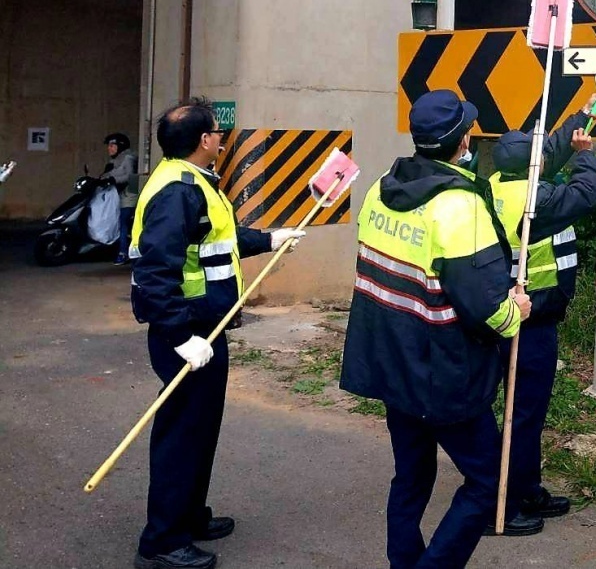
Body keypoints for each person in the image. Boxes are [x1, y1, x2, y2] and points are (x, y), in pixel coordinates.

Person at [340, 89, 535, 569]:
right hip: (442, 373)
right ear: (462, 140)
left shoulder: (382, 186)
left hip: (390, 361)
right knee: (488, 481)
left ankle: (403, 561)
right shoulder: (459, 206)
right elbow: (488, 309)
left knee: (411, 473)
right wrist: (517, 311)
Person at [130, 98, 306, 569]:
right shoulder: (177, 191)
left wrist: (271, 238)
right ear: (204, 140)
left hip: (206, 327)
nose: (222, 138)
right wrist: (179, 335)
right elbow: (155, 272)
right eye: (216, 132)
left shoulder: (194, 184)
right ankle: (163, 542)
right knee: (182, 434)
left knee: (200, 428)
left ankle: (188, 516)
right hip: (186, 332)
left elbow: (218, 241)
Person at [488, 94, 596, 528]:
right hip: (529, 320)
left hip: (498, 314)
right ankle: (507, 501)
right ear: (532, 165)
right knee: (524, 413)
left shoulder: (493, 187)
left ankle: (527, 488)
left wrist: (588, 111)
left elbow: (549, 152)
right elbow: (585, 194)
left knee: (519, 412)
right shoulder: (539, 200)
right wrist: (585, 156)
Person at [101, 131, 138, 264]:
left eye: (112, 145)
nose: (109, 148)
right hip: (120, 195)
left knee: (123, 223)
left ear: (120, 146)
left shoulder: (128, 158)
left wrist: (113, 179)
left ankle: (123, 252)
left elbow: (131, 176)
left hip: (129, 195)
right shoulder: (116, 160)